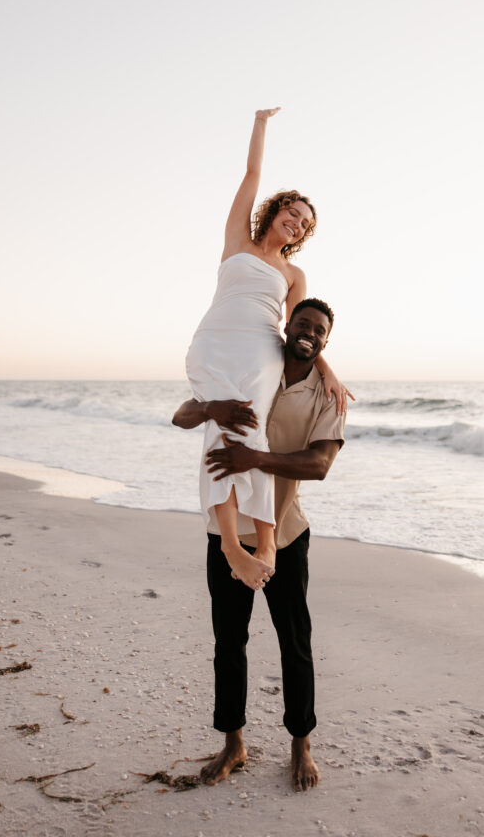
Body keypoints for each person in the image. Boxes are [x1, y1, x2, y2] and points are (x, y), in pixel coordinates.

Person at [173, 297, 345, 792]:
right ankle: (234, 744)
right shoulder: (254, 359)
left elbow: (319, 465)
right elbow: (183, 415)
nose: (308, 333)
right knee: (229, 642)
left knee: (296, 643)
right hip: (225, 533)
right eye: (302, 324)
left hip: (285, 533)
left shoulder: (327, 397)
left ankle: (301, 744)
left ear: (326, 341)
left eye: (319, 330)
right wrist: (211, 407)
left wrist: (255, 459)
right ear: (285, 326)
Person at [184, 108, 348, 592]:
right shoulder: (237, 238)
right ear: (275, 211)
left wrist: (329, 373)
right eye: (292, 213)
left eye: (305, 224)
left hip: (260, 351)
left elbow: (301, 334)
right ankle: (233, 545)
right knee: (219, 428)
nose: (296, 224)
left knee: (249, 435)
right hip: (212, 344)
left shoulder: (294, 275)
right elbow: (251, 175)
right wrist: (260, 123)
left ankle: (264, 543)